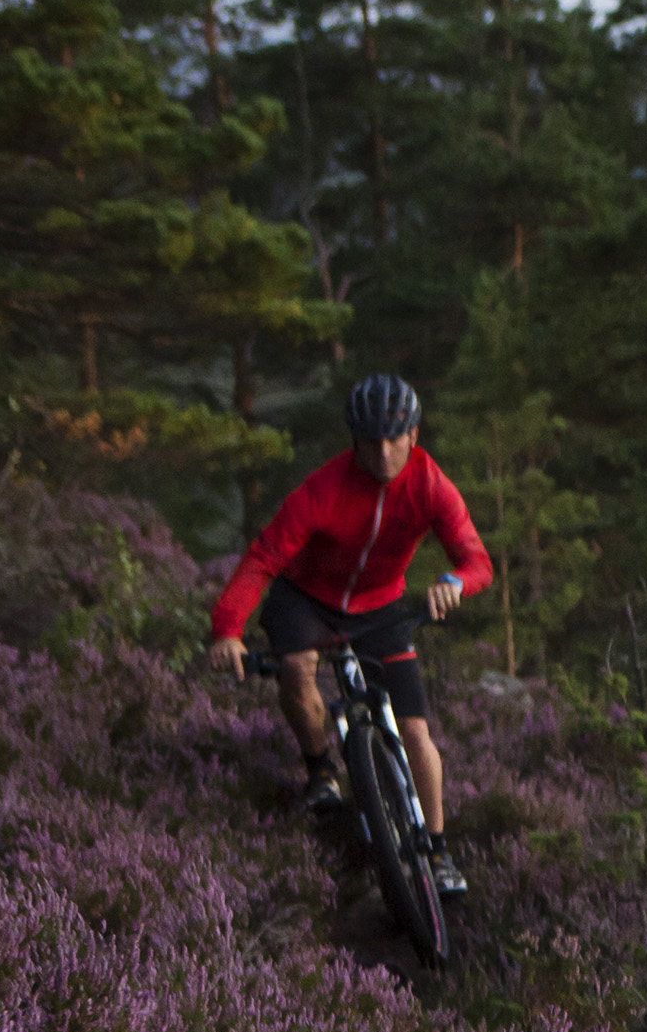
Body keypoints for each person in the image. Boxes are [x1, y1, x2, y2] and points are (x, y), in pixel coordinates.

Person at [204, 374, 491, 895]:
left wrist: (455, 582)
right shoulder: (323, 488)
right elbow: (264, 558)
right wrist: (228, 629)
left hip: (380, 606)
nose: (382, 453)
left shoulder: (431, 487)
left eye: (393, 439)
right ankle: (320, 771)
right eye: (369, 441)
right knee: (296, 667)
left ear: (413, 435)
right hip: (307, 599)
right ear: (353, 440)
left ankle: (438, 847)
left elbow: (476, 562)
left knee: (416, 731)